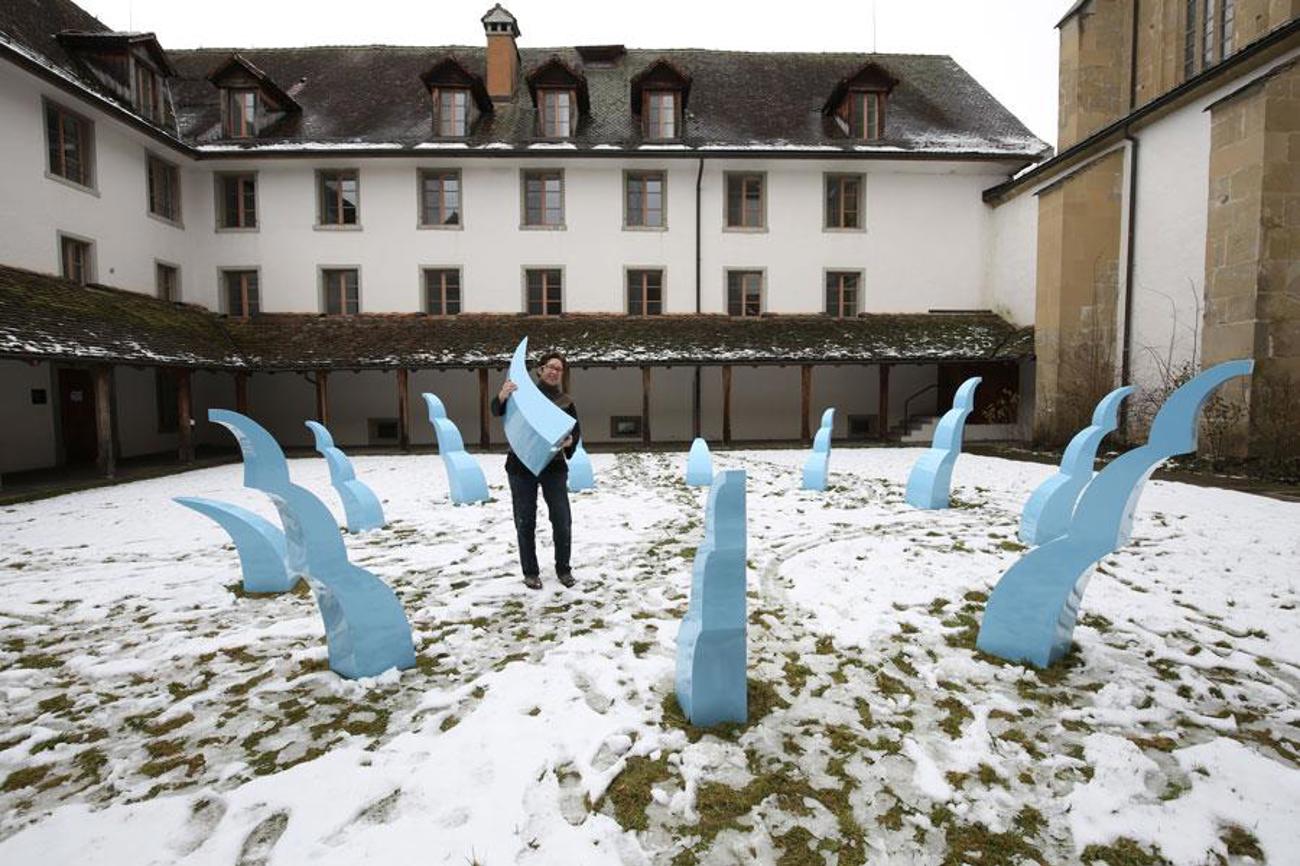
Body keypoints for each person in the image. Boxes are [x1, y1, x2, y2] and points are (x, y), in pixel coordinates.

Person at [490, 351, 581, 590]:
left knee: (562, 520)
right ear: (540, 369)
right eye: (550, 367)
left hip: (553, 467)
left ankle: (564, 569)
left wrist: (570, 442)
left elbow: (575, 432)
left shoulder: (565, 401)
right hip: (521, 466)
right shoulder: (522, 394)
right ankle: (530, 572)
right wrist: (502, 395)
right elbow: (496, 410)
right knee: (525, 520)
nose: (554, 372)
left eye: (558, 369)